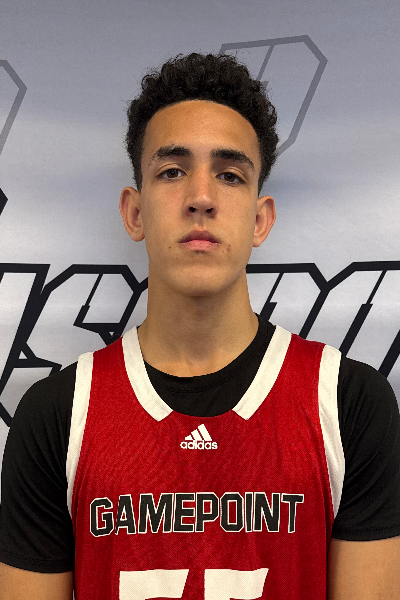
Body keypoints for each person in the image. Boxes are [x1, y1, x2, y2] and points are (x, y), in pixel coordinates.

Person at [0, 52, 400, 600]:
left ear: (260, 219)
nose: (202, 198)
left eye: (230, 175)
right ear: (134, 212)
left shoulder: (348, 403)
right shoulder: (57, 415)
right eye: (172, 171)